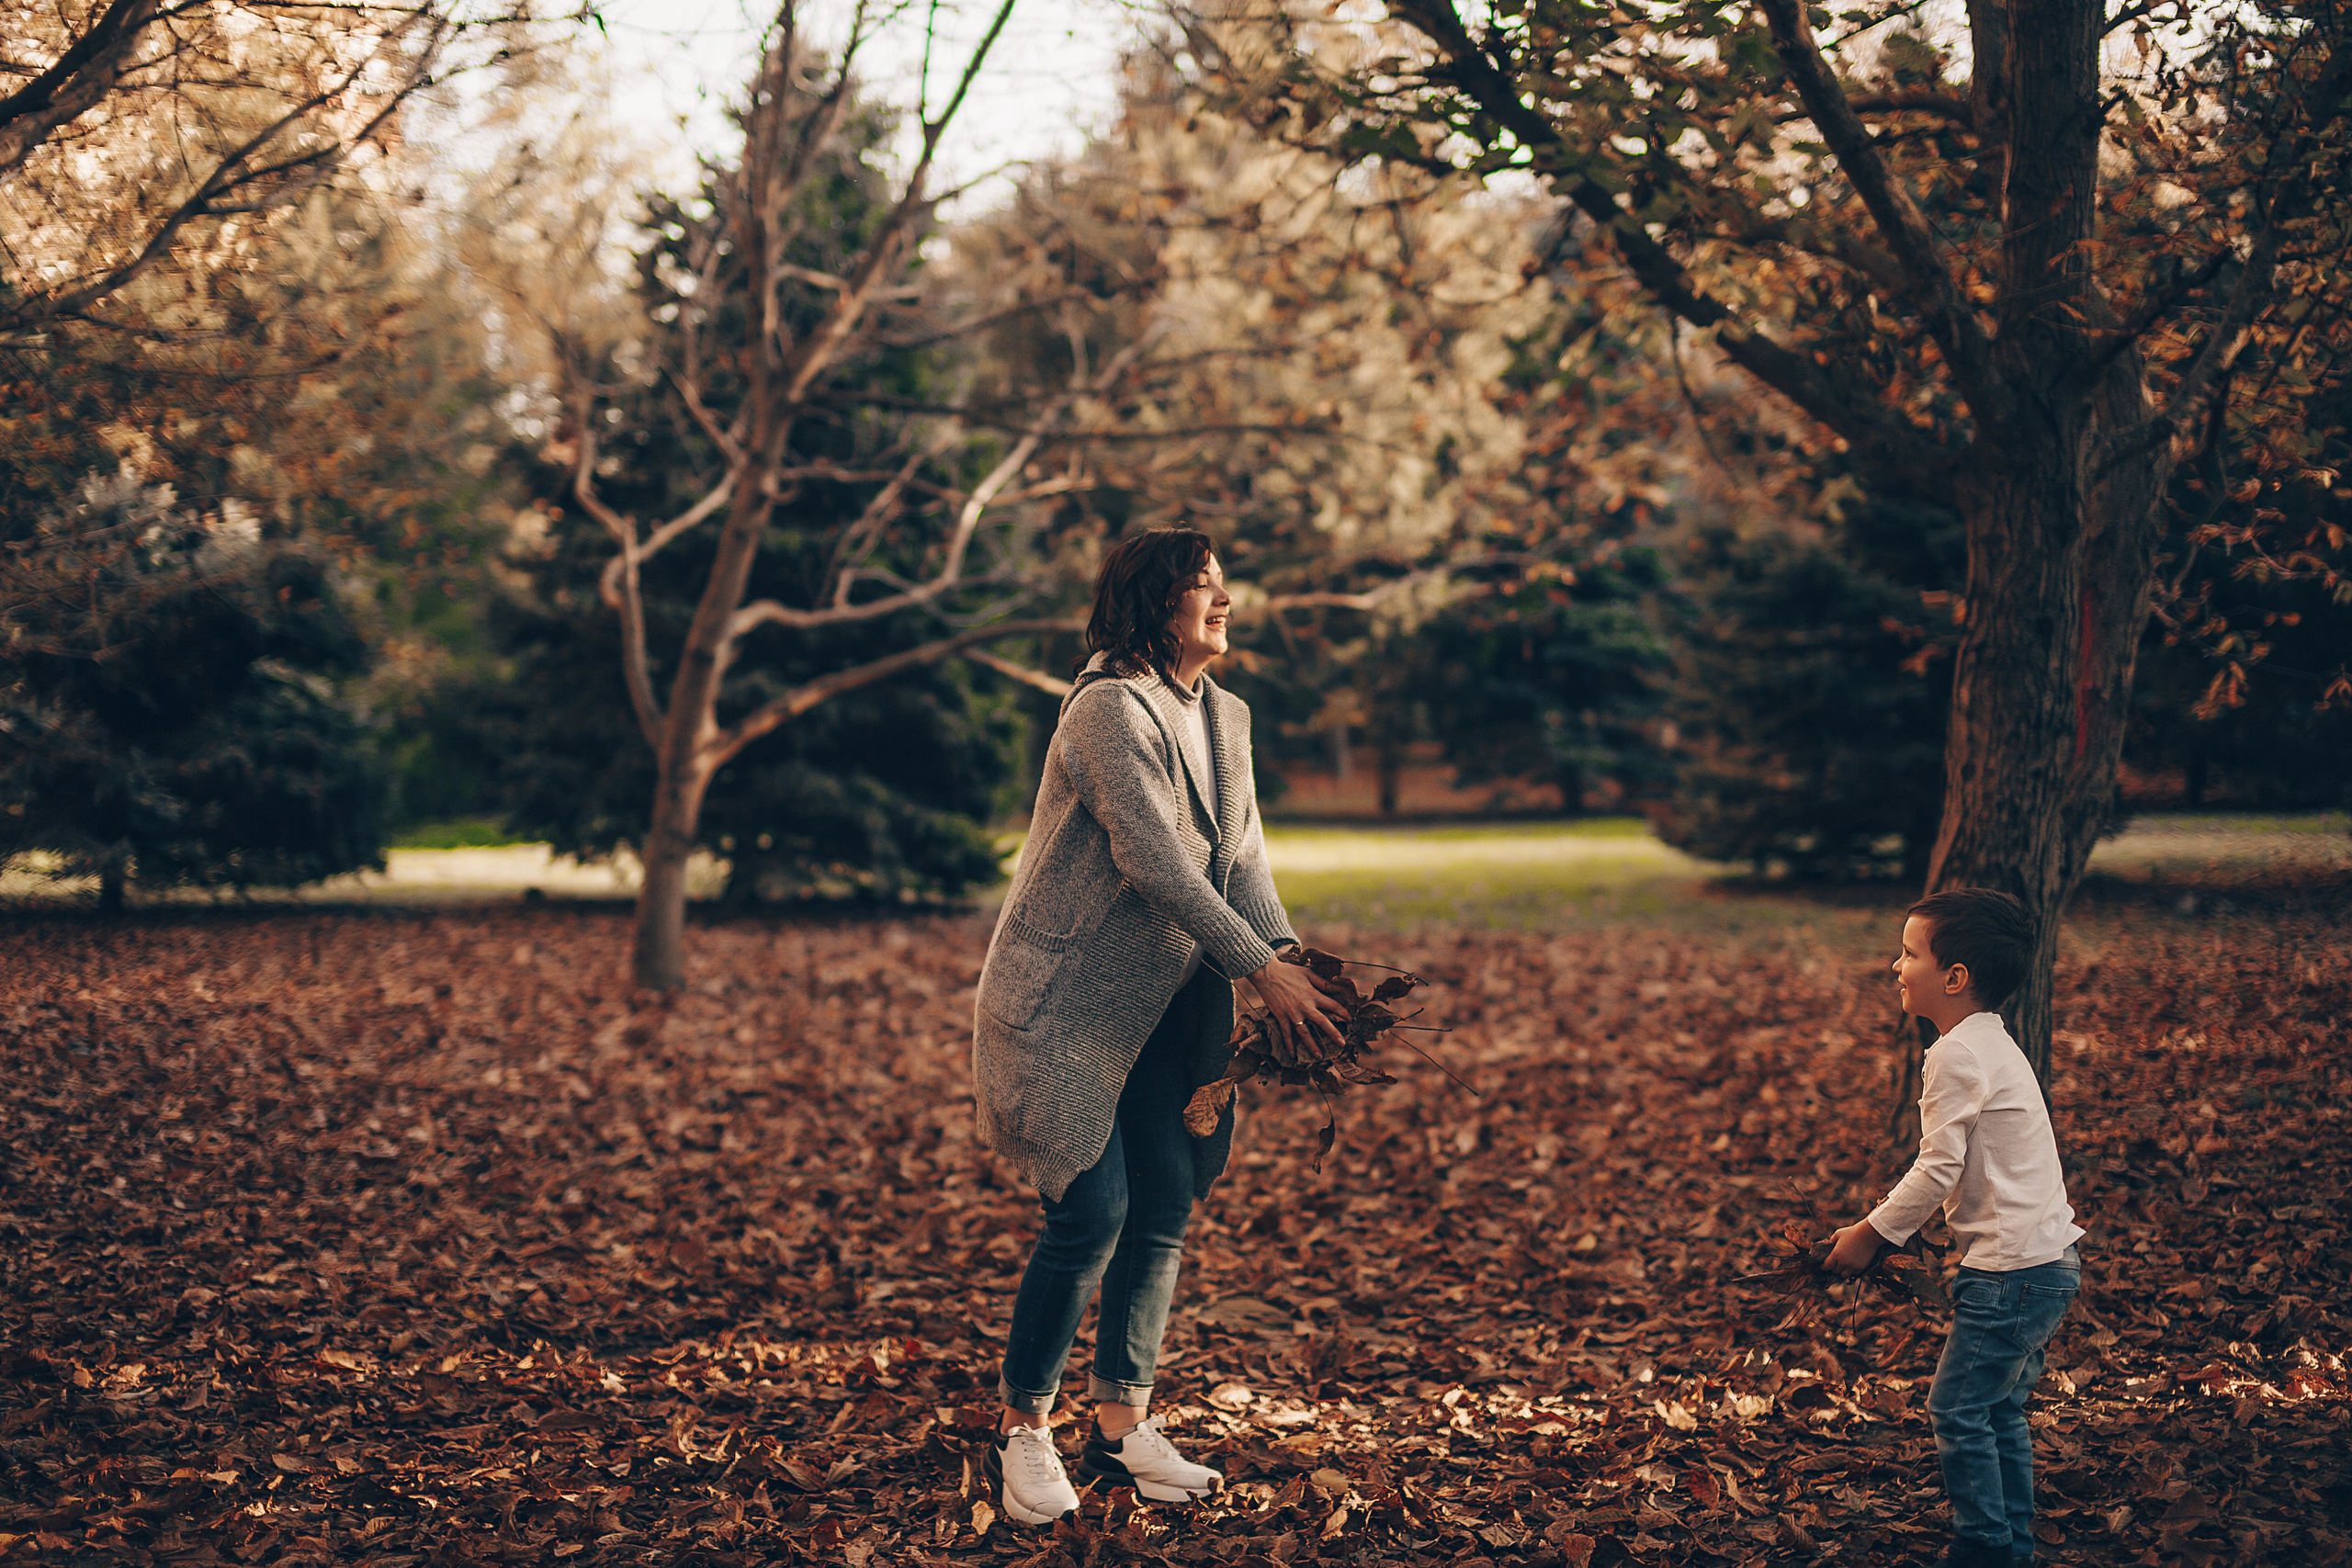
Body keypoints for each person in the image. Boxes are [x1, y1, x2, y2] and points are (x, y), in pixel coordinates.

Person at [969, 528, 1349, 1526]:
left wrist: (1296, 963)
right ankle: (1023, 1428)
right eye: (1202, 589)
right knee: (1091, 1211)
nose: (1223, 604)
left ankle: (1120, 1429)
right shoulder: (1106, 709)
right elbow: (1157, 863)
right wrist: (1262, 973)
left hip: (1175, 1002)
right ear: (1151, 602)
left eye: (1225, 587)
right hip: (1066, 1004)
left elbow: (1243, 863)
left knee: (1166, 1202)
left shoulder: (1226, 716)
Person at [1825, 888, 2084, 1568]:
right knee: (1997, 1411)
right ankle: (2012, 1543)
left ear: (1954, 977)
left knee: (1957, 1408)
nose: (1895, 965)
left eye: (1910, 953)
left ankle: (1986, 1548)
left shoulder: (1955, 1055)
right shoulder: (1994, 1043)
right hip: (2045, 1262)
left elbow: (1937, 1168)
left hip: (2010, 1273)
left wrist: (1869, 1234)